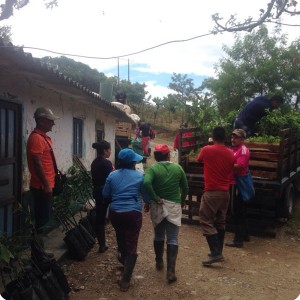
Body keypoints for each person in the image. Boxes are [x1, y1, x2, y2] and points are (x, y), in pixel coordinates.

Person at [102, 148, 149, 292]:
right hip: (133, 213)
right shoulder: (140, 176)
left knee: (120, 236)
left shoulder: (112, 175)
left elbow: (105, 194)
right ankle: (126, 279)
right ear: (133, 162)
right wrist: (147, 203)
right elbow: (146, 196)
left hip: (115, 213)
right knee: (132, 242)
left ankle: (124, 260)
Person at [143, 144, 189, 283]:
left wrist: (155, 197)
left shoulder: (153, 169)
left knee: (158, 235)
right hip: (174, 205)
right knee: (173, 238)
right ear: (168, 155)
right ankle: (170, 272)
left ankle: (159, 261)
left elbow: (146, 183)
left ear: (156, 156)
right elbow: (185, 187)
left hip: (158, 206)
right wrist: (181, 201)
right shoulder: (178, 168)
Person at [196, 126, 235, 267]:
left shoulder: (207, 149)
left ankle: (216, 252)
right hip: (225, 193)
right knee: (220, 221)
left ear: (213, 136)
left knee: (205, 220)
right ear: (225, 137)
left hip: (211, 192)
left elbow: (198, 159)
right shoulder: (231, 154)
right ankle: (218, 252)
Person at [26, 107, 60, 230]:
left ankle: (39, 246)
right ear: (41, 121)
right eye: (50, 120)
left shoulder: (43, 137)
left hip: (46, 185)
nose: (53, 123)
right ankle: (38, 247)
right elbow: (37, 164)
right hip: (41, 187)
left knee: (44, 217)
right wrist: (46, 185)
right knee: (42, 221)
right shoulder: (37, 138)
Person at [225, 129, 250, 248]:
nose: (233, 139)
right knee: (240, 210)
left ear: (242, 139)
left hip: (237, 184)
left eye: (236, 137)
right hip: (232, 183)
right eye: (232, 137)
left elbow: (239, 167)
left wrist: (224, 163)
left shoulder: (243, 151)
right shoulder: (233, 149)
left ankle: (238, 240)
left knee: (237, 211)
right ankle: (244, 235)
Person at [91, 141, 114, 253]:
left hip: (96, 191)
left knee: (99, 216)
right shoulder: (107, 163)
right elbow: (111, 180)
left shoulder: (94, 162)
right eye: (109, 150)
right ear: (105, 151)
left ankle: (102, 244)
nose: (110, 152)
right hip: (106, 191)